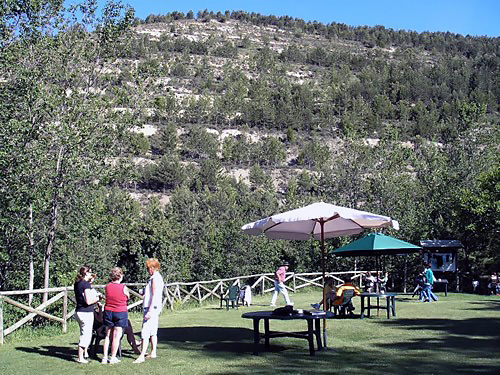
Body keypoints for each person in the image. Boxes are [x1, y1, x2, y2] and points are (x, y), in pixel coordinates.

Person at [134, 258, 165, 364]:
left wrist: (150, 310)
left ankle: (141, 355)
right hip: (155, 307)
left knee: (145, 332)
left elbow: (154, 295)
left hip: (151, 308)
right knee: (153, 332)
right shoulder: (157, 278)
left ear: (153, 268)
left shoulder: (154, 278)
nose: (147, 270)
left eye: (148, 268)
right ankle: (153, 352)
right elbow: (151, 292)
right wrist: (143, 291)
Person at [102, 267, 130, 364]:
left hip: (108, 311)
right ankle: (113, 357)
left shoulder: (107, 286)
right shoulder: (123, 287)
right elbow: (128, 297)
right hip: (120, 312)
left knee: (107, 335)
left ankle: (104, 357)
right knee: (116, 336)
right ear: (120, 275)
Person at [74, 266, 100, 364]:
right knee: (86, 336)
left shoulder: (78, 283)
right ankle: (80, 357)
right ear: (86, 273)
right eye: (90, 272)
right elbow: (88, 301)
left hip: (79, 311)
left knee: (84, 333)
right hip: (86, 312)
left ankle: (85, 354)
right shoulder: (85, 285)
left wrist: (90, 282)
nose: (91, 274)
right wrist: (98, 299)